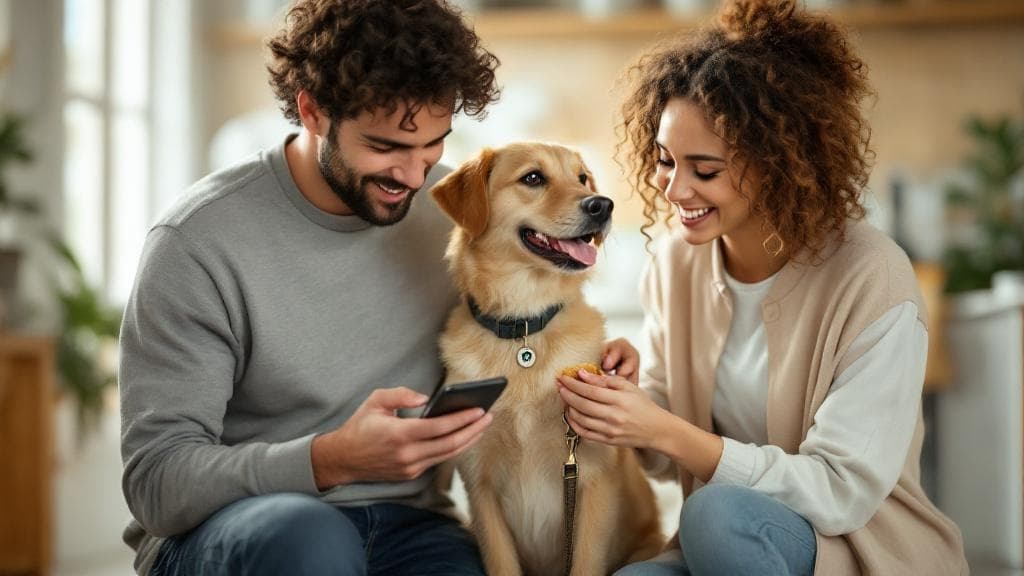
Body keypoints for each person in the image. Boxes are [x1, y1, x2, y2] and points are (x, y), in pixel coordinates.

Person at [556, 0, 968, 574]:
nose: (674, 190)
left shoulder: (873, 277)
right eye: (665, 160)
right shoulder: (677, 261)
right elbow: (662, 449)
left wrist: (666, 431)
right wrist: (627, 401)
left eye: (705, 170)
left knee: (714, 513)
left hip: (855, 553)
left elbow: (840, 492)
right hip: (725, 552)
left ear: (777, 164)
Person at [118, 1, 504, 575]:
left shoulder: (454, 215)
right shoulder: (197, 241)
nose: (414, 175)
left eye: (433, 144)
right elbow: (158, 484)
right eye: (385, 147)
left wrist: (590, 362)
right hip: (237, 527)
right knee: (311, 540)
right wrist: (329, 460)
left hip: (409, 525)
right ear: (313, 110)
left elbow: (520, 332)